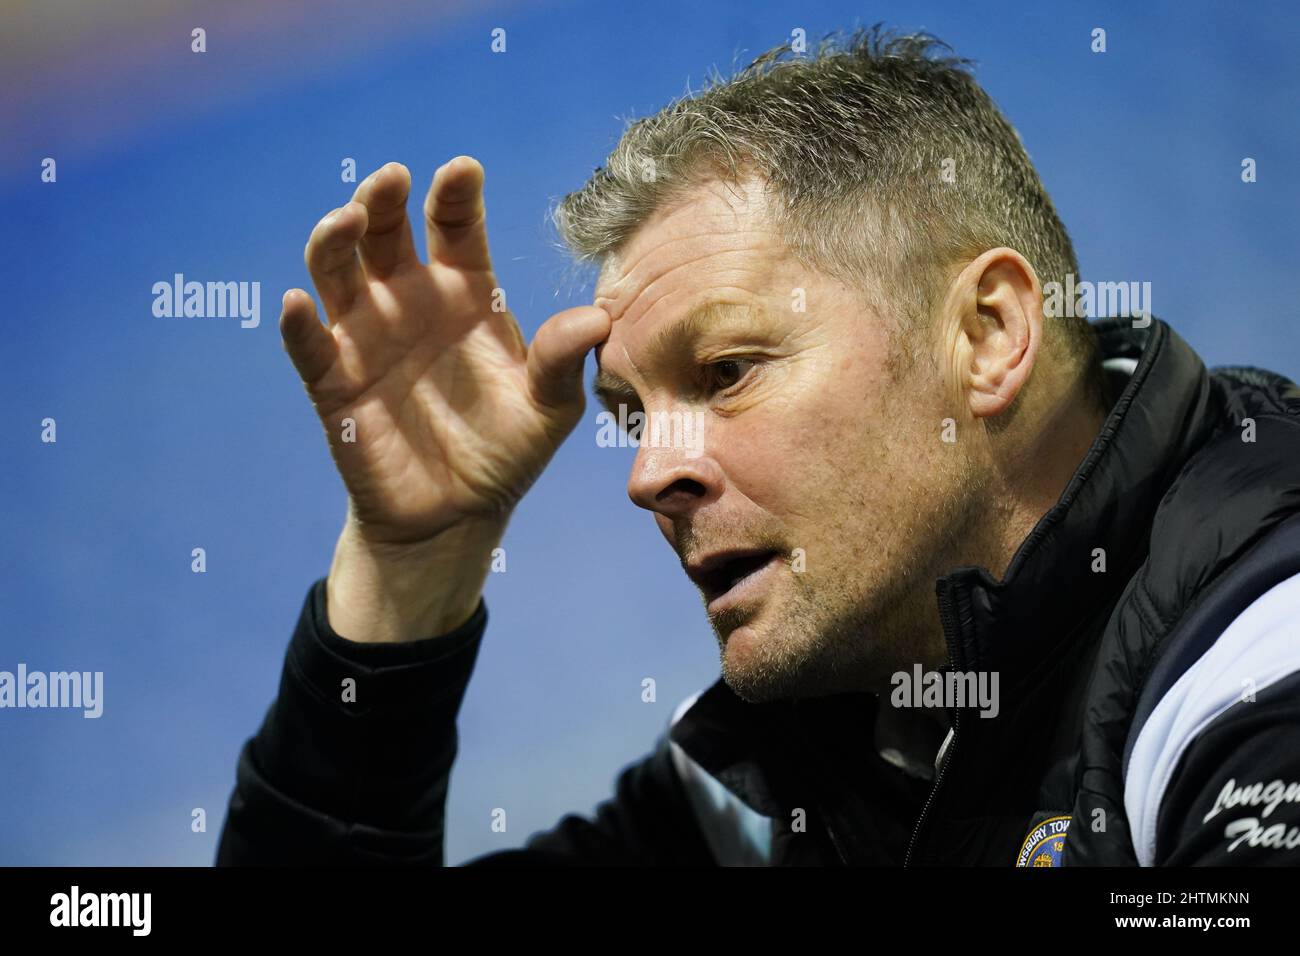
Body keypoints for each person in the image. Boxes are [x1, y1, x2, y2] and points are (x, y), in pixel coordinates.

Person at [217, 27, 1300, 866]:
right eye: (631, 416)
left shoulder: (1259, 658)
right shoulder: (788, 771)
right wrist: (414, 568)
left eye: (726, 371)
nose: (650, 474)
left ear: (987, 335)